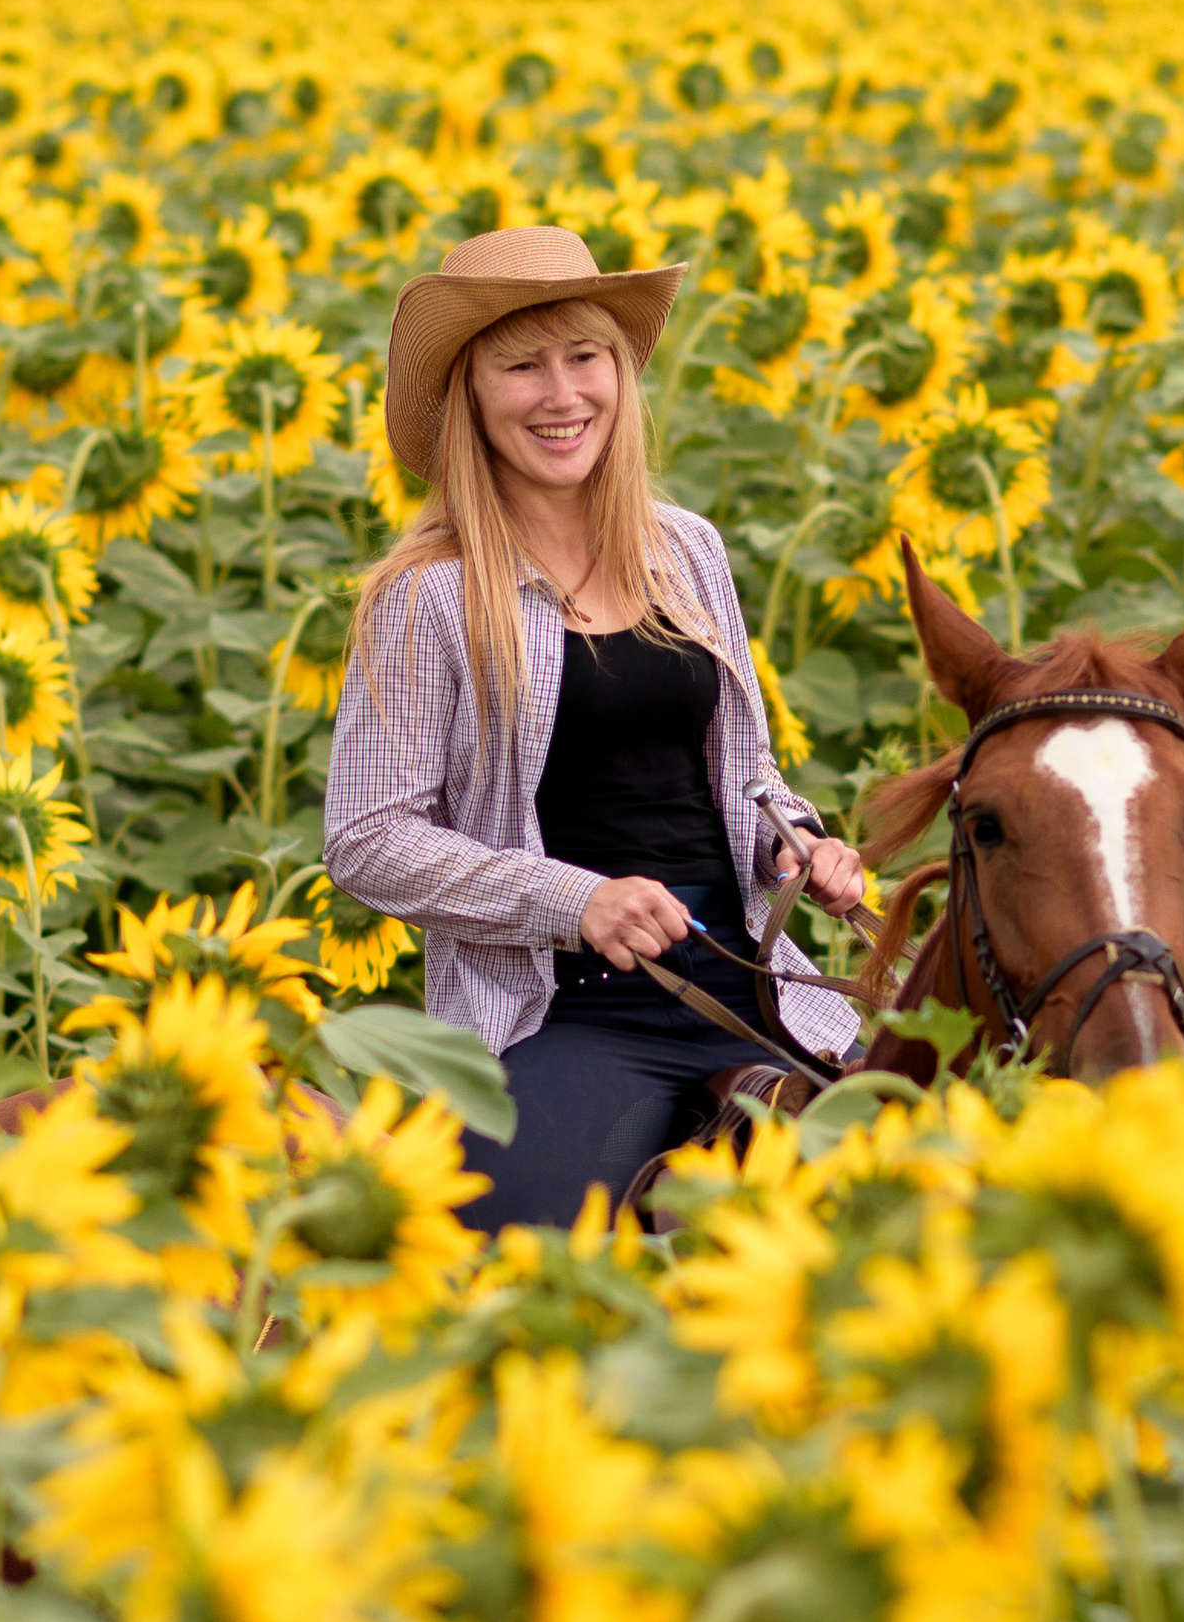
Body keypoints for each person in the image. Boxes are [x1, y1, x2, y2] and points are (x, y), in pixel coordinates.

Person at [323, 223, 865, 1233]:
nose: (562, 394)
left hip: (756, 982)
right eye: (522, 366)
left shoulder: (687, 552)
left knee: (935, 1188)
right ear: (470, 396)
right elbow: (366, 840)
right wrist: (576, 901)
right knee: (523, 1267)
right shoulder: (427, 597)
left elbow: (746, 774)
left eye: (585, 357)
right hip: (565, 1008)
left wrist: (795, 848)